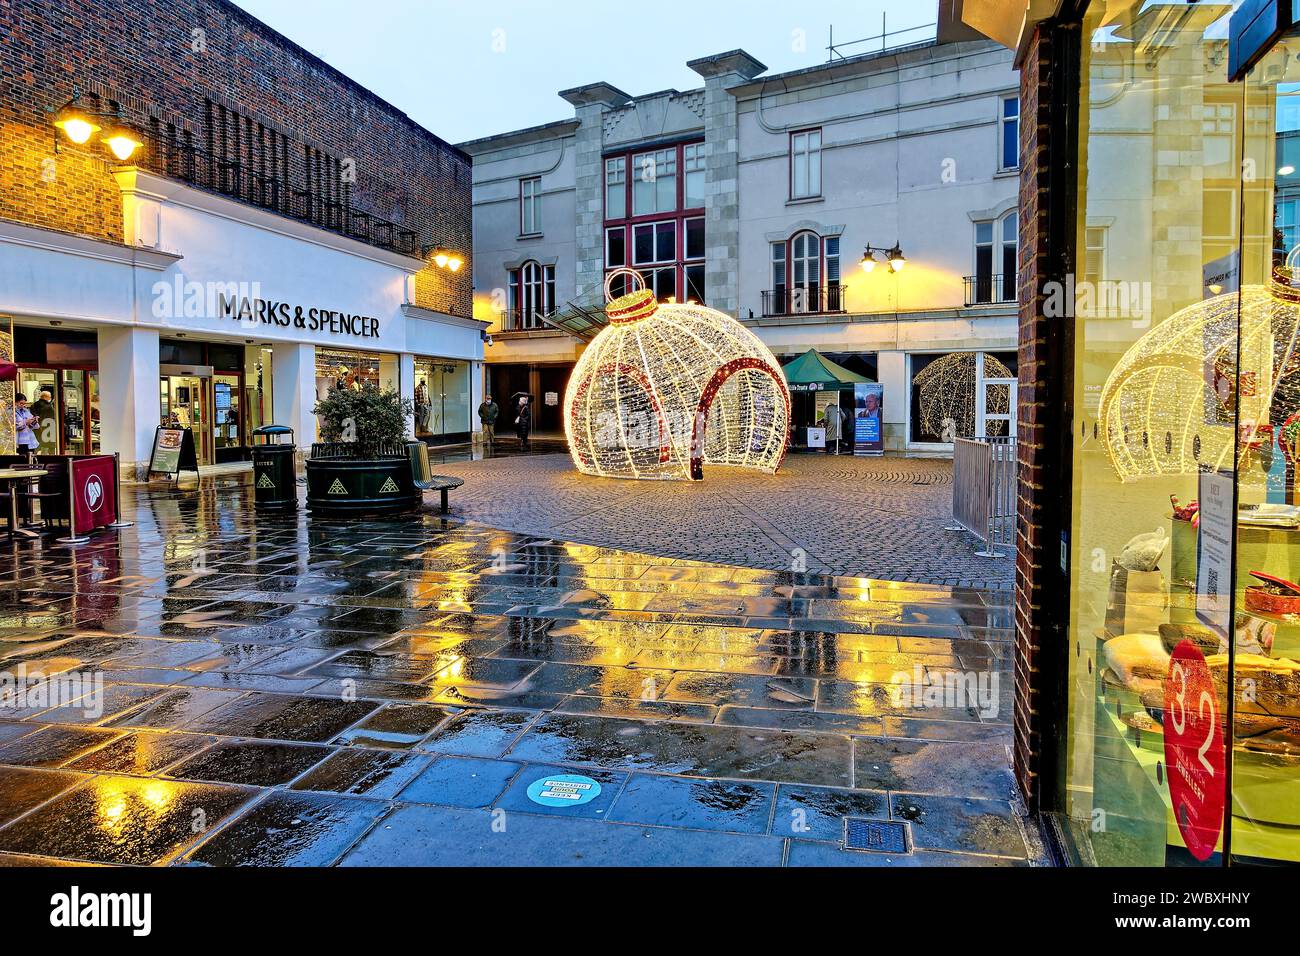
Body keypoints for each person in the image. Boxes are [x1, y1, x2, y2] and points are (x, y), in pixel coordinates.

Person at [30, 389, 56, 454]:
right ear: (45, 397)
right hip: (48, 429)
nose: (50, 398)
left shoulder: (33, 405)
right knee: (50, 446)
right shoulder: (49, 407)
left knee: (38, 445)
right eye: (50, 397)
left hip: (37, 428)